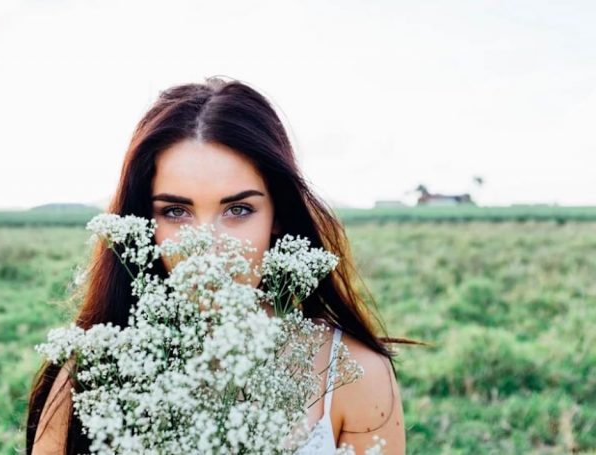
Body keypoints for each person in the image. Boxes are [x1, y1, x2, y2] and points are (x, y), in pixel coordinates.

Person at [26, 76, 413, 454]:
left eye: (239, 209)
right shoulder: (90, 374)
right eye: (175, 211)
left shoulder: (355, 374)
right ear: (142, 222)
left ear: (277, 216)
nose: (208, 250)